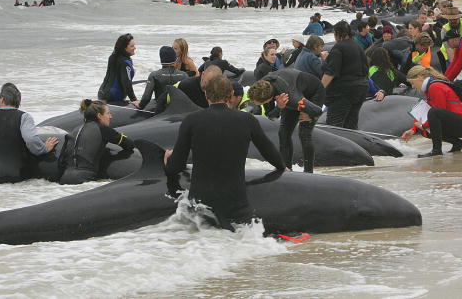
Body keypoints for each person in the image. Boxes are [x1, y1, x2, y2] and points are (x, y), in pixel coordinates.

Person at [163, 75, 285, 230]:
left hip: (201, 204)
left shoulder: (191, 121)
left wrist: (168, 160)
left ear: (206, 94)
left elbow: (176, 166)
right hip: (236, 203)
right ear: (230, 95)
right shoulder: (248, 120)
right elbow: (271, 154)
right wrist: (282, 167)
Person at [0, 83, 59, 183]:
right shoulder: (24, 117)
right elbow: (31, 139)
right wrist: (43, 148)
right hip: (19, 179)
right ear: (18, 103)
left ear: (1, 99)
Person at [248, 69, 325, 173]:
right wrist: (279, 107)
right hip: (292, 89)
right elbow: (272, 117)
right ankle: (286, 168)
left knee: (304, 134)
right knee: (283, 133)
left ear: (268, 99)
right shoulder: (261, 86)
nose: (254, 104)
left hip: (313, 92)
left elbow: (318, 111)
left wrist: (311, 116)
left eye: (257, 103)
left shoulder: (293, 99)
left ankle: (308, 172)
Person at [401, 66, 462, 158]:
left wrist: (422, 126)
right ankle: (457, 143)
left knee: (433, 113)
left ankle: (437, 150)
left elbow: (437, 112)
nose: (412, 86)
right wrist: (413, 130)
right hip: (459, 124)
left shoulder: (435, 87)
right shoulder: (430, 87)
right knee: (426, 127)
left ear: (420, 77)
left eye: (412, 83)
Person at [60, 99, 135, 185]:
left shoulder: (74, 130)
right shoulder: (102, 129)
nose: (111, 116)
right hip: (85, 180)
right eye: (108, 113)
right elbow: (129, 144)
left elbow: (62, 160)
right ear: (99, 115)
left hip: (64, 179)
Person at [321, 20, 369, 129]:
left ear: (338, 34)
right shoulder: (358, 47)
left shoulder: (339, 47)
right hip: (361, 89)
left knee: (334, 125)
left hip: (343, 92)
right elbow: (365, 69)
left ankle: (335, 146)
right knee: (351, 124)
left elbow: (331, 72)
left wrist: (319, 89)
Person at [97, 33, 140, 107]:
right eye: (132, 46)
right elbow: (126, 82)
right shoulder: (125, 62)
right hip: (114, 97)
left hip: (102, 93)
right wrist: (134, 100)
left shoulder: (112, 57)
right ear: (124, 48)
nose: (135, 48)